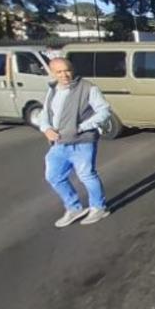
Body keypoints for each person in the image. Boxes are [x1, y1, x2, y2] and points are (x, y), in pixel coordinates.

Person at [39, 57, 113, 227]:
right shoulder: (52, 90)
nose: (64, 75)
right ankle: (74, 208)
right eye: (59, 72)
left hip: (82, 141)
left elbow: (104, 111)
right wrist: (46, 129)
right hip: (58, 142)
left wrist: (81, 127)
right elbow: (45, 114)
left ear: (72, 69)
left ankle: (98, 208)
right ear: (52, 73)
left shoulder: (87, 88)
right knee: (54, 176)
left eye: (67, 70)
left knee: (86, 175)